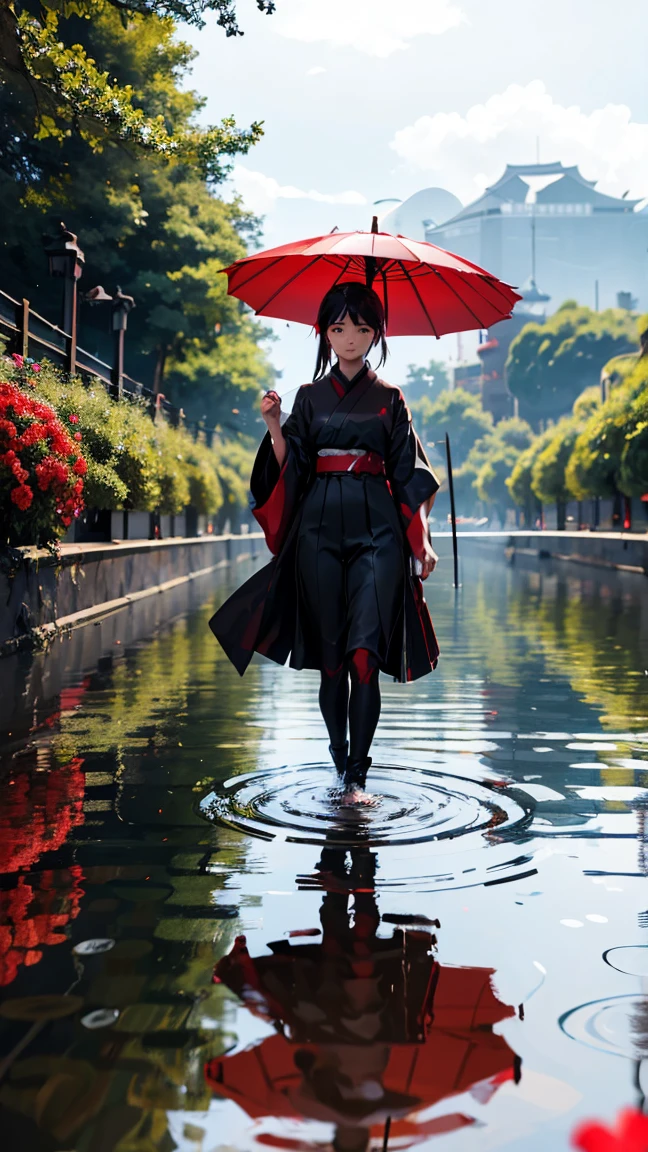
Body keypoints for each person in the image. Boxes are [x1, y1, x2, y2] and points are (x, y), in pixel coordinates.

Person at [210, 281, 440, 794]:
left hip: (379, 531)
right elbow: (289, 468)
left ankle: (358, 772)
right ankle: (339, 752)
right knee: (332, 660)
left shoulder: (391, 400)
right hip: (317, 530)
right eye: (339, 327)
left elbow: (407, 476)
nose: (351, 337)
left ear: (376, 332)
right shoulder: (309, 398)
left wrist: (420, 541)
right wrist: (274, 426)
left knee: (365, 657)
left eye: (362, 327)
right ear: (325, 333)